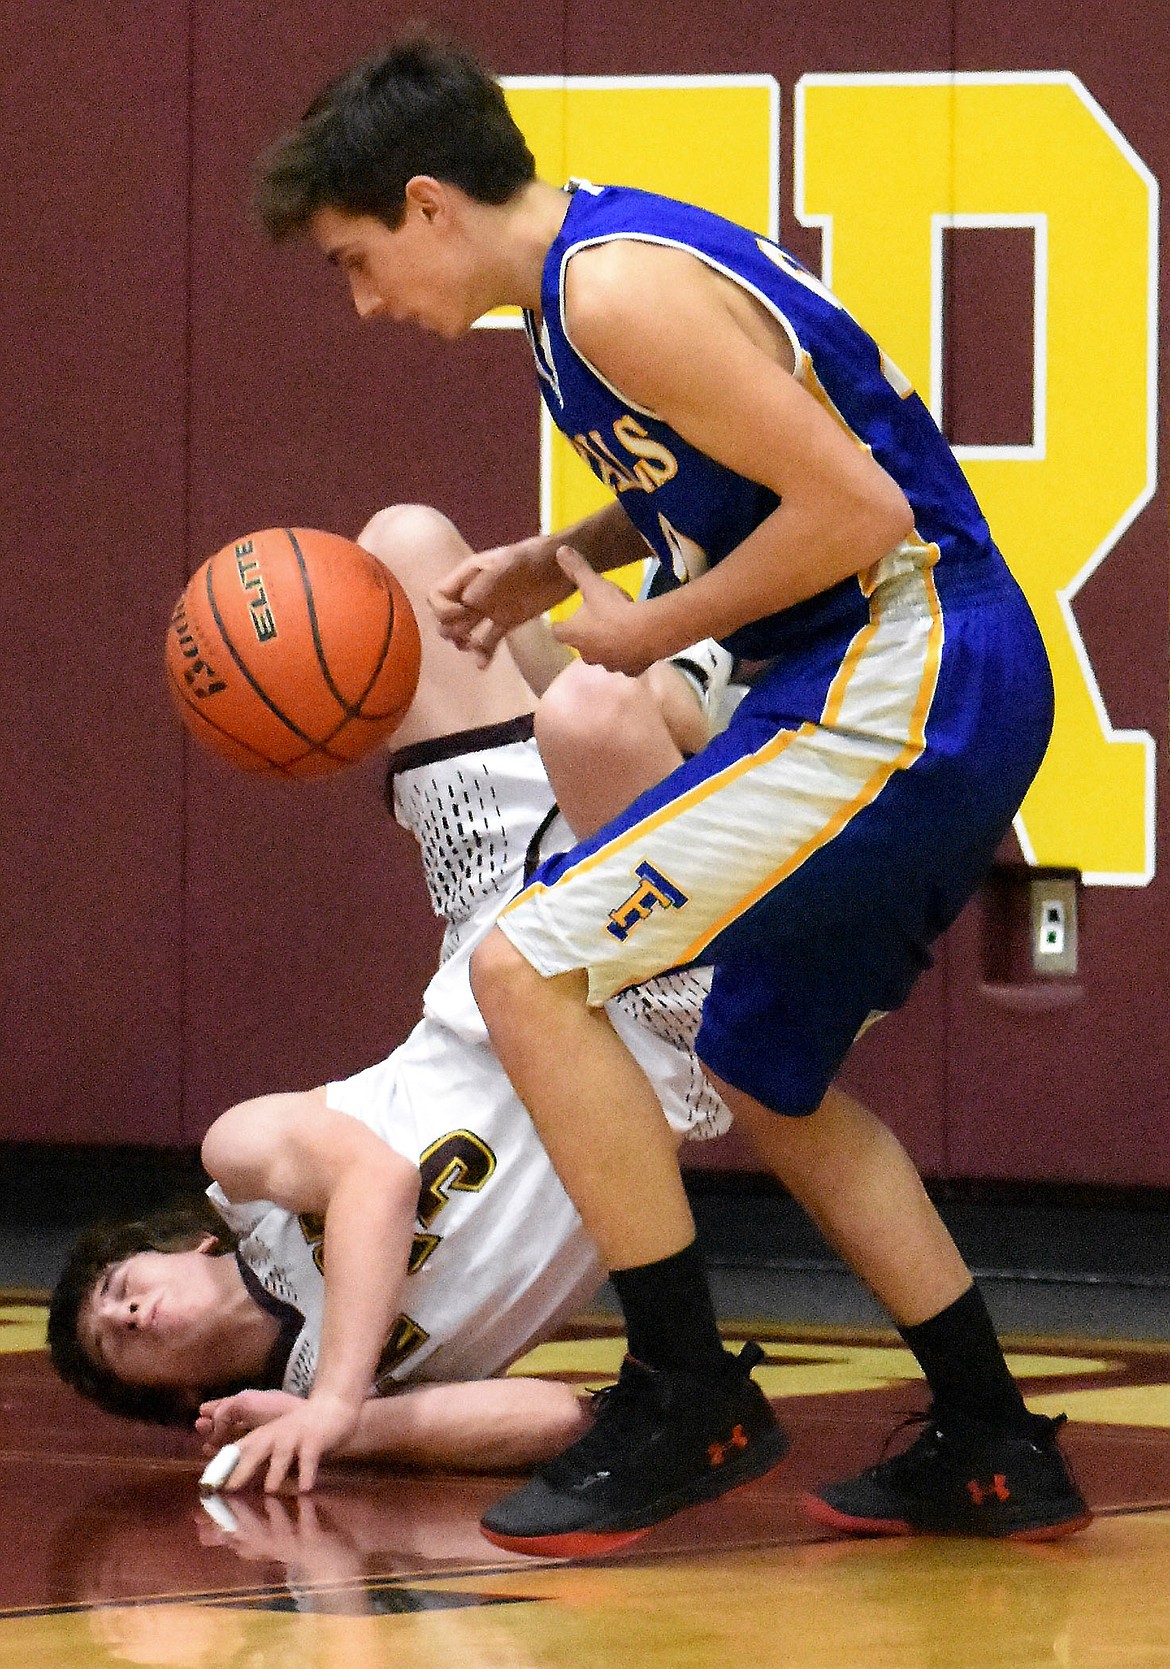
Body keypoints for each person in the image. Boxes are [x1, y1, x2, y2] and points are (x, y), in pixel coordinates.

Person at [252, 30, 1090, 1555]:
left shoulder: (609, 292)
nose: (369, 301)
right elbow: (731, 465)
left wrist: (650, 628)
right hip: (908, 677)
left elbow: (858, 507)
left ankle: (682, 1387)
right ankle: (989, 1435)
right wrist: (557, 555)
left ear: (430, 203)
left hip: (907, 677)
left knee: (524, 961)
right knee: (768, 1076)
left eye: (361, 259)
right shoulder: (584, 284)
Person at [48, 504, 759, 1507]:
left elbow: (376, 1180)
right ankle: (710, 665)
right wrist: (354, 1423)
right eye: (117, 1347)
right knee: (609, 719)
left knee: (406, 546)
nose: (126, 1317)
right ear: (192, 1400)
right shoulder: (340, 1392)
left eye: (119, 1292)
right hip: (639, 1024)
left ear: (184, 1246)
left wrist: (335, 1399)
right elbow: (558, 1418)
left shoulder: (243, 1167)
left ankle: (662, 703)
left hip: (491, 924)